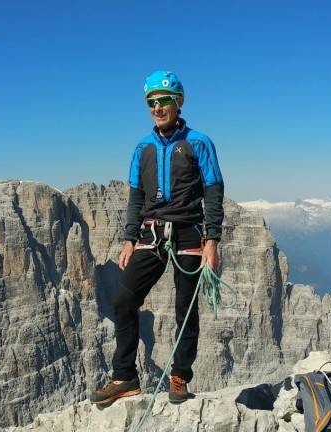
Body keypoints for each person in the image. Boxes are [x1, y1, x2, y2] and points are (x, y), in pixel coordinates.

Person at [91, 70, 224, 405]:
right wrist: (128, 238)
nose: (157, 107)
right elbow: (136, 197)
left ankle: (179, 376)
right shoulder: (142, 148)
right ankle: (125, 377)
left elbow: (213, 191)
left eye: (164, 100)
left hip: (189, 234)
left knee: (185, 308)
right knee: (123, 301)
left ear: (177, 102)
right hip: (151, 235)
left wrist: (212, 242)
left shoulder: (198, 143)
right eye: (151, 102)